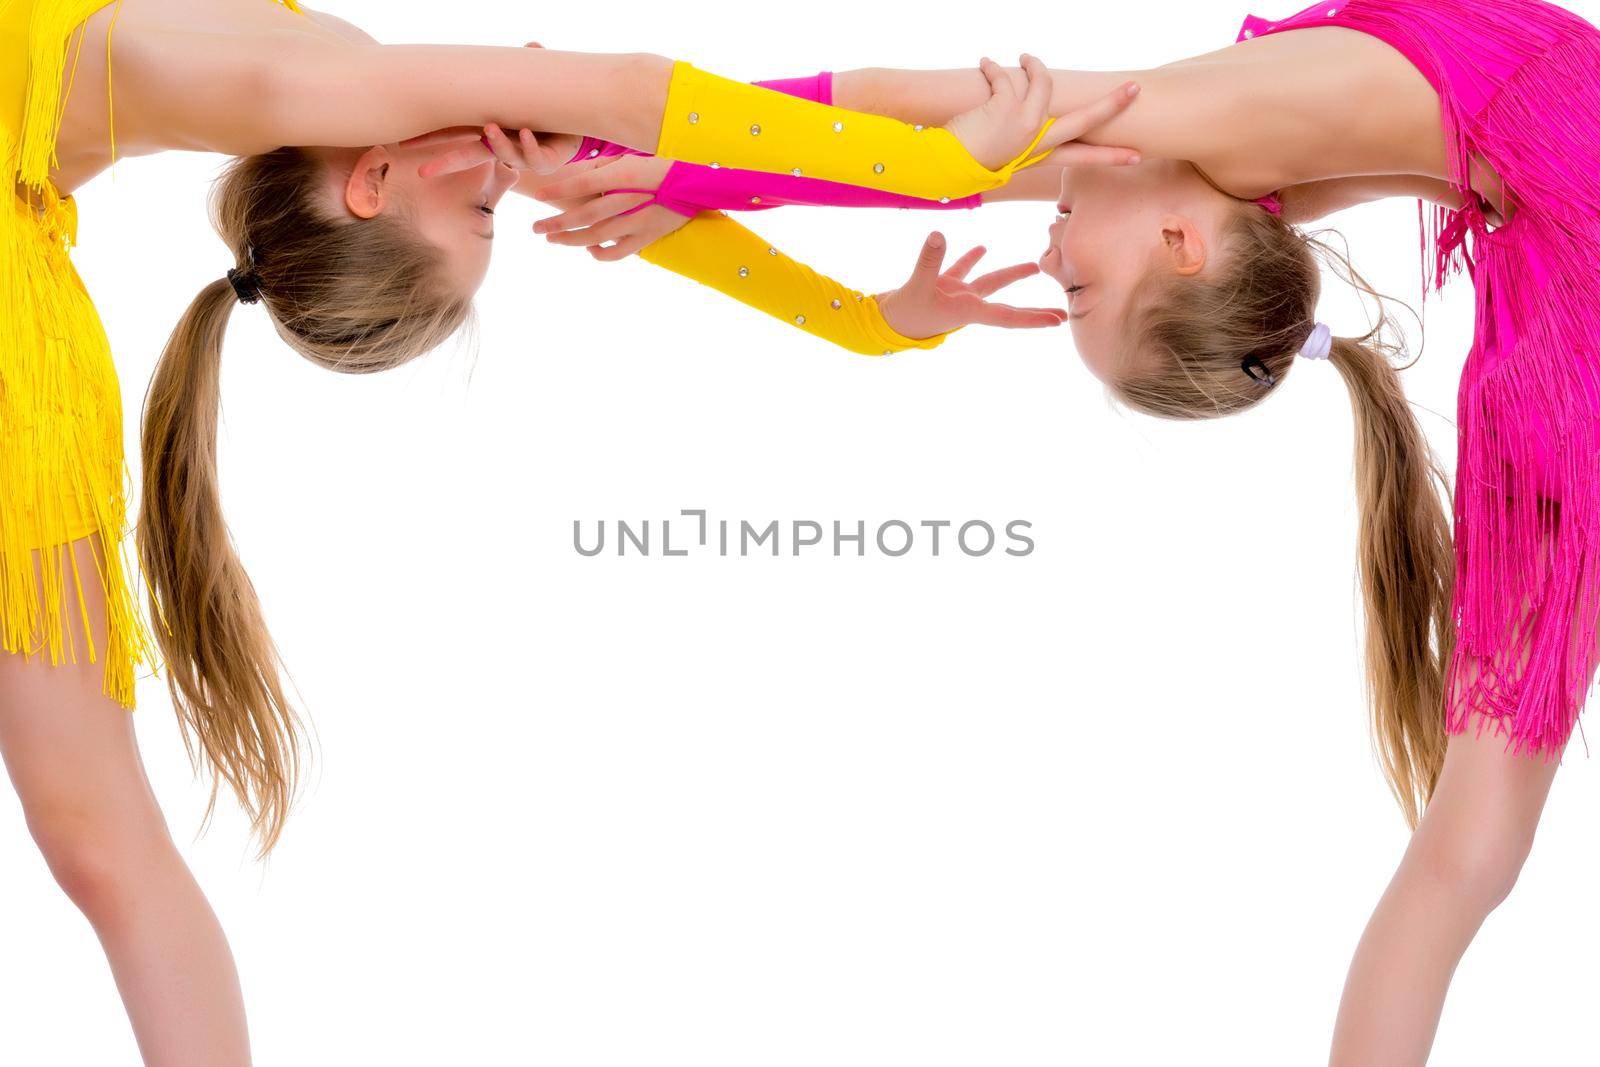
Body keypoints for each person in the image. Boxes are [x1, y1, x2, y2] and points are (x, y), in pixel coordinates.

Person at [2, 2, 1133, 1060]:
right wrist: (875, 318)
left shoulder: (317, 85)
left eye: (482, 210)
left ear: (373, 183)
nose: (514, 185)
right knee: (101, 838)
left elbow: (640, 94)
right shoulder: (345, 103)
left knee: (102, 834)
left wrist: (940, 170)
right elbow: (674, 155)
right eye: (496, 209)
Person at [528, 1, 1600, 1060]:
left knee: (1472, 851)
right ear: (1182, 245)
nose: (1047, 260)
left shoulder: (1223, 160)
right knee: (1469, 851)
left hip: (1559, 270)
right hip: (1567, 257)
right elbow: (902, 126)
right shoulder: (1218, 129)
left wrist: (650, 171)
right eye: (1083, 283)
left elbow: (940, 160)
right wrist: (639, 159)